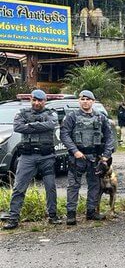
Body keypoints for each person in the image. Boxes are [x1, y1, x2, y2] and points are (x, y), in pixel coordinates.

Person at [3, 90, 61, 230]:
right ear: (31, 100)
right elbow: (17, 127)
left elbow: (51, 125)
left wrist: (29, 126)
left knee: (50, 188)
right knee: (19, 187)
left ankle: (52, 216)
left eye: (40, 100)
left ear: (44, 101)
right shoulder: (22, 113)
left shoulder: (51, 113)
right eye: (34, 100)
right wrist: (39, 126)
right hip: (27, 157)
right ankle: (13, 218)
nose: (36, 103)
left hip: (47, 157)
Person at [60, 90, 115, 226]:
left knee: (94, 185)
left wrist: (106, 155)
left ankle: (91, 212)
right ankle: (71, 214)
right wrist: (74, 151)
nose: (85, 102)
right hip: (77, 157)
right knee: (73, 186)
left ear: (93, 101)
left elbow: (110, 136)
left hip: (95, 158)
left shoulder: (100, 117)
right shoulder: (71, 116)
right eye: (83, 99)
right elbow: (64, 135)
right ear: (79, 101)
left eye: (88, 99)